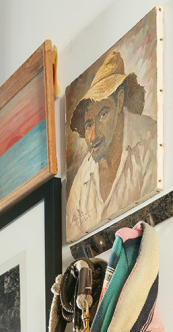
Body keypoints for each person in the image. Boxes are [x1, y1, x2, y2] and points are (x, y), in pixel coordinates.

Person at [66, 51, 157, 241]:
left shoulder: (150, 140)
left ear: (120, 100)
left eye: (103, 114)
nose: (93, 136)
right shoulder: (82, 182)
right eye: (88, 124)